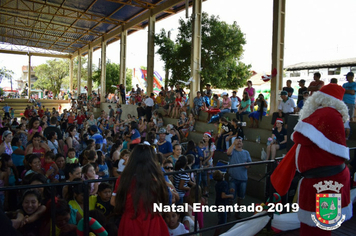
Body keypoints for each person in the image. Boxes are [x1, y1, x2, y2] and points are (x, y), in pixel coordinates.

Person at [271, 83, 352, 235]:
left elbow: (299, 134)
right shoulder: (332, 114)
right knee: (319, 227)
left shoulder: (325, 113)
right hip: (326, 180)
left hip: (325, 184)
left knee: (317, 230)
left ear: (321, 98)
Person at [112, 144, 169, 236]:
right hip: (152, 221)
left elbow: (114, 202)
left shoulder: (124, 179)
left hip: (130, 222)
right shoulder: (157, 178)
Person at [226, 137, 251, 219]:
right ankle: (228, 212)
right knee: (231, 197)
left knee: (241, 198)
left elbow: (249, 163)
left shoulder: (246, 152)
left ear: (243, 144)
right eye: (238, 141)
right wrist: (233, 143)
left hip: (243, 179)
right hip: (233, 178)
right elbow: (228, 153)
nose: (239, 142)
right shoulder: (233, 151)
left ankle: (238, 213)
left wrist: (248, 165)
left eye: (240, 141)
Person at [213, 170, 234, 236]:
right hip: (223, 204)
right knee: (222, 222)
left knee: (221, 219)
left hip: (218, 203)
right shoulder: (224, 183)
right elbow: (223, 195)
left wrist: (228, 190)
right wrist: (230, 195)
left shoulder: (217, 184)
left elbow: (222, 191)